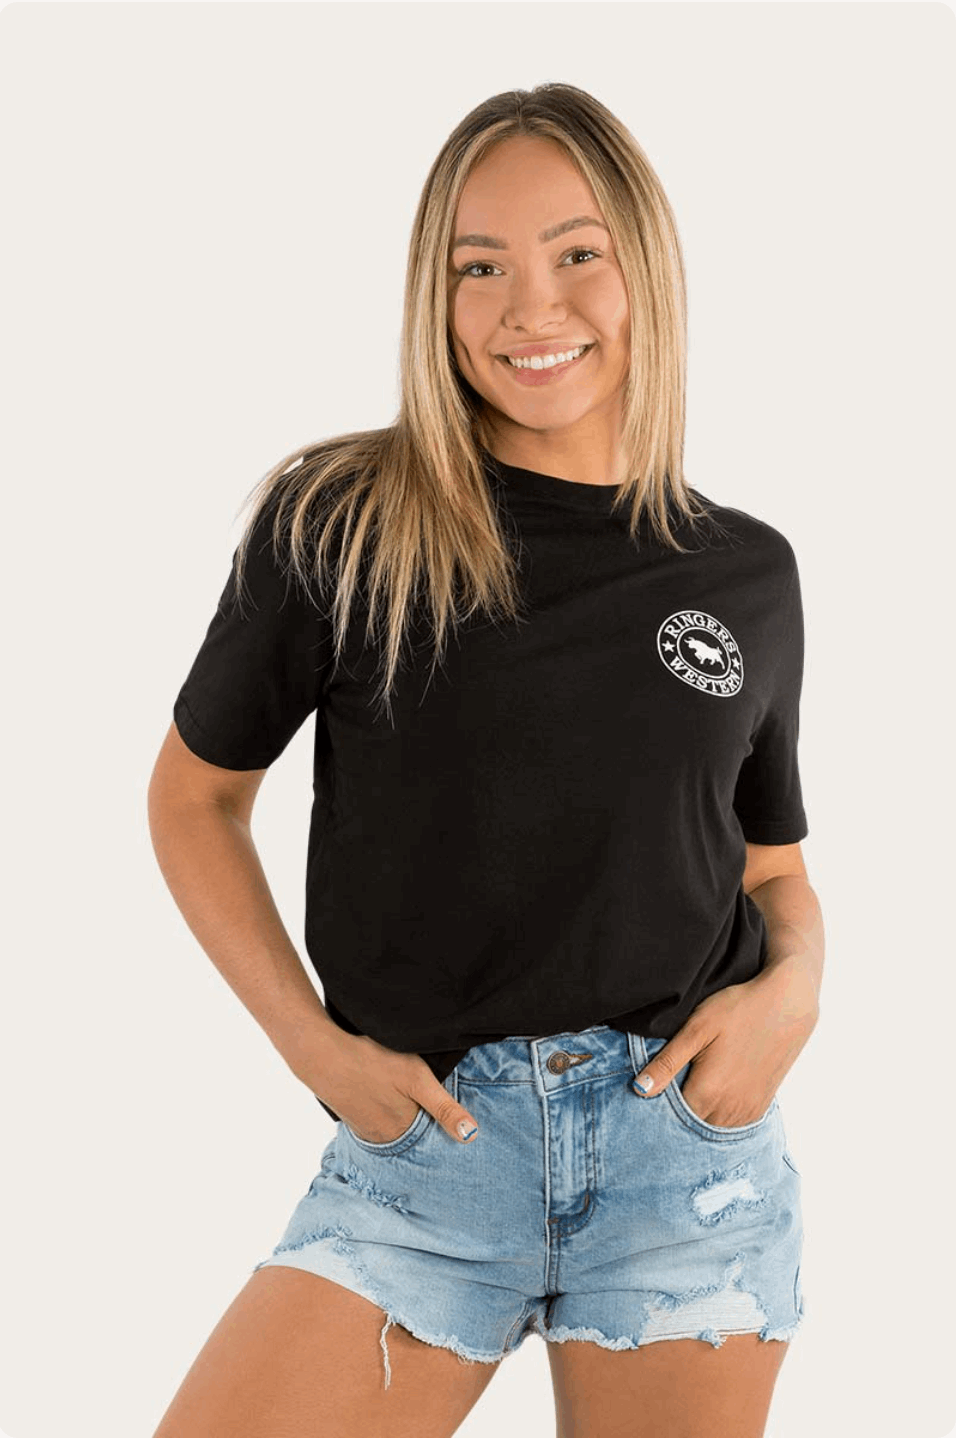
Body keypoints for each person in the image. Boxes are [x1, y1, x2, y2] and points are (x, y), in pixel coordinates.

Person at [147, 81, 823, 1438]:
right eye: (481, 266)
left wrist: (797, 987)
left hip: (680, 1171)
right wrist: (311, 1047)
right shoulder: (342, 523)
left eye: (578, 253)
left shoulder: (745, 574)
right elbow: (195, 798)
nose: (533, 308)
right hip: (429, 1157)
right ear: (433, 295)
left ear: (643, 268)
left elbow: (774, 869)